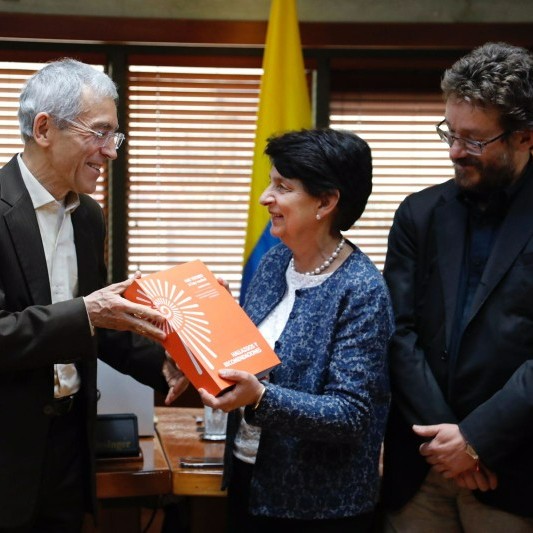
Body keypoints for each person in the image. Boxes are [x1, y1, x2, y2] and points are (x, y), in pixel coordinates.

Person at [0, 58, 188, 532]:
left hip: (70, 446)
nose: (111, 152)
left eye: (115, 136)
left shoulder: (89, 218)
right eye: (99, 133)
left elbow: (102, 328)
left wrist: (167, 365)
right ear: (44, 128)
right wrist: (87, 311)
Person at [199, 128, 393, 532]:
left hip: (319, 507)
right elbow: (250, 358)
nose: (264, 198)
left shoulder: (362, 290)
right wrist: (214, 317)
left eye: (282, 187)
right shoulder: (273, 264)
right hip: (248, 477)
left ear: (325, 202)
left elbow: (351, 414)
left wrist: (262, 398)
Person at [380, 42, 533, 532]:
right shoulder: (418, 213)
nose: (454, 151)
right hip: (422, 462)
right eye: (450, 132)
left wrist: (476, 439)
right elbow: (398, 333)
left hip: (514, 469)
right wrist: (450, 443)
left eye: (474, 140)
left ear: (525, 137)